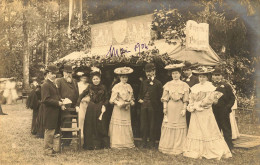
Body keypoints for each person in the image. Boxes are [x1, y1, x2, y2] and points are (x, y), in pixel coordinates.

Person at [183, 66, 232, 160]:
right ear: (198, 77)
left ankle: (211, 149)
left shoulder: (210, 87)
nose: (201, 78)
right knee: (197, 130)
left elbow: (209, 100)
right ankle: (196, 149)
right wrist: (191, 105)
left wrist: (200, 104)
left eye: (204, 77)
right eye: (200, 77)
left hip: (205, 111)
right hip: (196, 113)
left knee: (207, 130)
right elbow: (191, 98)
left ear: (207, 77)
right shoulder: (194, 87)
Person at [158, 63, 189, 155]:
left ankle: (178, 147)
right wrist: (165, 107)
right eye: (173, 74)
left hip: (179, 106)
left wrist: (184, 109)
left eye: (176, 73)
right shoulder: (168, 84)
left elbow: (186, 99)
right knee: (169, 125)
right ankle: (168, 146)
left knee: (179, 125)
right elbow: (165, 98)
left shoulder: (184, 85)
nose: (175, 75)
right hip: (170, 106)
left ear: (180, 74)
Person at [76, 68, 109, 150]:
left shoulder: (103, 87)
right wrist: (77, 104)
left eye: (97, 79)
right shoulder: (89, 87)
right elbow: (81, 95)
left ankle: (100, 144)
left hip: (100, 108)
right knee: (90, 125)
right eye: (94, 79)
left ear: (100, 79)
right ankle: (90, 144)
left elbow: (107, 98)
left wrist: (105, 105)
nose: (95, 80)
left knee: (100, 125)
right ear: (92, 80)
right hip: (91, 108)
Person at [138, 63, 163, 148]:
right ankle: (144, 142)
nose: (148, 73)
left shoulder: (158, 83)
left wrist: (156, 105)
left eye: (150, 71)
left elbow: (161, 96)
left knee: (153, 124)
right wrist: (140, 99)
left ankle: (152, 142)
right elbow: (140, 93)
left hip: (153, 106)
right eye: (147, 72)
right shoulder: (143, 82)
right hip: (144, 106)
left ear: (154, 71)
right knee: (143, 124)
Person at [109, 67, 135, 149]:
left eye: (126, 77)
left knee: (126, 124)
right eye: (123, 77)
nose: (125, 79)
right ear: (120, 78)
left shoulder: (129, 86)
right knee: (119, 124)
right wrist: (118, 103)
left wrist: (131, 102)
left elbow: (131, 97)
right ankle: (117, 143)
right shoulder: (116, 86)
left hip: (126, 109)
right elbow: (111, 100)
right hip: (118, 109)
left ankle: (126, 143)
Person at [41, 64, 64, 156]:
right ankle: (47, 151)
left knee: (53, 130)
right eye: (52, 73)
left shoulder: (53, 84)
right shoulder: (45, 84)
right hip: (50, 111)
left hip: (55, 111)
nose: (54, 75)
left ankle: (51, 148)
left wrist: (60, 100)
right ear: (47, 74)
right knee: (49, 131)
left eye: (55, 74)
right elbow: (45, 100)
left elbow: (55, 96)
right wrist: (58, 103)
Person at [212, 67, 235, 151]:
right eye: (215, 75)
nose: (216, 77)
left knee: (226, 128)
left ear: (221, 76)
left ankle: (229, 147)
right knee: (215, 128)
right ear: (212, 76)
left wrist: (227, 107)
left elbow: (232, 98)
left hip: (223, 110)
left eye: (218, 75)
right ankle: (216, 147)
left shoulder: (226, 85)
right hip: (212, 110)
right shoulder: (210, 85)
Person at [56, 64, 79, 146]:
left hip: (74, 107)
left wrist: (77, 105)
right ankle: (66, 141)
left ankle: (72, 139)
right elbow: (57, 94)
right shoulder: (59, 81)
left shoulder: (75, 82)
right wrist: (61, 103)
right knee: (66, 121)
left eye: (70, 73)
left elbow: (78, 95)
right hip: (64, 107)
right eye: (67, 72)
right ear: (63, 73)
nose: (68, 74)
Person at [182, 61, 199, 128]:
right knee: (186, 118)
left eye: (188, 70)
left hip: (193, 101)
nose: (186, 72)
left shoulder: (196, 79)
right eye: (184, 70)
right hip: (185, 101)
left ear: (191, 70)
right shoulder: (183, 79)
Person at [77, 71, 90, 140]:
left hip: (87, 102)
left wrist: (87, 99)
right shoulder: (78, 84)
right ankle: (80, 131)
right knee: (81, 117)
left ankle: (86, 132)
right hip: (80, 103)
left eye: (85, 78)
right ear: (80, 78)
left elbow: (89, 94)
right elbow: (77, 94)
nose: (84, 79)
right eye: (83, 78)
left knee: (86, 117)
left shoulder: (88, 85)